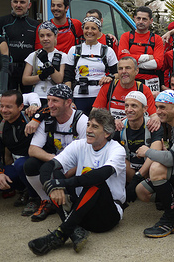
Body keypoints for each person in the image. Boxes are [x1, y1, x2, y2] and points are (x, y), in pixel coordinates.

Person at [28, 109, 126, 255]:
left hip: (105, 215)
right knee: (55, 174)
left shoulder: (116, 149)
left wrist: (63, 184)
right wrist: (52, 187)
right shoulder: (78, 145)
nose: (88, 130)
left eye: (95, 127)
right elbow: (48, 167)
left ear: (106, 133)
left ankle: (61, 234)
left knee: (95, 180)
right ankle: (73, 230)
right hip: (80, 211)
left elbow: (100, 175)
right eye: (88, 125)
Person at [135, 90, 174, 238]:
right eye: (157, 107)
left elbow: (170, 159)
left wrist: (147, 151)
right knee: (141, 191)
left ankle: (172, 219)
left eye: (163, 107)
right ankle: (168, 198)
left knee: (156, 167)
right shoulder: (172, 123)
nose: (158, 112)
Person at [23, 84, 87, 222]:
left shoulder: (81, 120)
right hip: (57, 161)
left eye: (55, 101)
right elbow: (32, 149)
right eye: (48, 100)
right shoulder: (48, 120)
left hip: (77, 165)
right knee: (30, 164)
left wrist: (64, 170)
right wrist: (55, 160)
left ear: (68, 102)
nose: (50, 105)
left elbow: (88, 155)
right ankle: (46, 200)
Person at [0, 90, 38, 214]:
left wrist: (37, 116)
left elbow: (49, 110)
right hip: (17, 167)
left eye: (9, 107)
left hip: (38, 165)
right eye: (2, 106)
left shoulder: (31, 117)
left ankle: (34, 198)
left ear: (21, 107)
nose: (4, 110)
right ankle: (23, 189)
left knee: (22, 164)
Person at [64, 16, 118, 115]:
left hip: (100, 95)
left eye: (93, 28)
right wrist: (69, 99)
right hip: (79, 96)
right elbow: (67, 76)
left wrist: (110, 77)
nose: (89, 31)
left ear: (99, 31)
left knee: (98, 126)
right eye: (86, 28)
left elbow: (117, 73)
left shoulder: (107, 50)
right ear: (83, 30)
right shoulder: (74, 50)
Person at [113, 91, 163, 187]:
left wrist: (138, 176)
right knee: (116, 158)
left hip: (147, 170)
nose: (129, 110)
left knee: (157, 164)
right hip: (129, 169)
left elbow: (156, 152)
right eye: (126, 106)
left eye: (134, 106)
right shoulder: (119, 126)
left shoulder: (153, 124)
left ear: (145, 109)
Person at [92, 56, 158, 125]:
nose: (123, 71)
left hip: (135, 130)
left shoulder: (143, 89)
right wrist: (112, 122)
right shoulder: (109, 86)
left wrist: (155, 120)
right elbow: (94, 113)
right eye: (120, 69)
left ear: (136, 71)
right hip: (111, 129)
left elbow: (153, 115)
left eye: (128, 68)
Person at [0, 0, 39, 93]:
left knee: (29, 100)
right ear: (11, 4)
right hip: (8, 69)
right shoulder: (1, 22)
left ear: (29, 5)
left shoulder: (35, 25)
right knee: (8, 100)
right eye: (15, 2)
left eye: (22, 2)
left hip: (28, 70)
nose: (18, 5)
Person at [118, 6, 164, 92]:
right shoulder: (126, 36)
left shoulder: (157, 39)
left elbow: (158, 64)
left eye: (144, 19)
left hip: (151, 82)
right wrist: (147, 57)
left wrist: (131, 61)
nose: (141, 22)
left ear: (151, 21)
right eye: (138, 18)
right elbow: (121, 58)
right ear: (134, 18)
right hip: (131, 80)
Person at [22, 21, 66, 105]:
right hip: (36, 96)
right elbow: (25, 80)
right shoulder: (33, 55)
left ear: (55, 36)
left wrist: (47, 63)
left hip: (55, 96)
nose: (45, 39)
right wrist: (40, 76)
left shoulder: (62, 56)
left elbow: (59, 79)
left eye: (49, 35)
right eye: (42, 36)